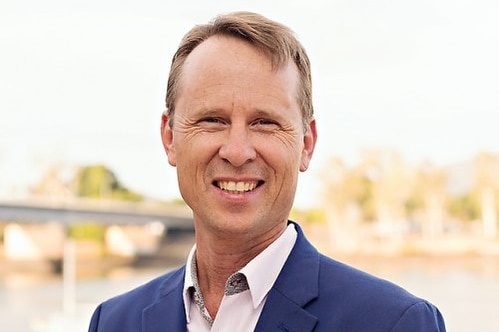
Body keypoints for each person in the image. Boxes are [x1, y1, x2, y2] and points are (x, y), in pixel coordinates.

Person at [88, 11, 446, 332]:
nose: (238, 152)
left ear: (306, 144)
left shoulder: (395, 322)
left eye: (265, 123)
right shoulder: (114, 322)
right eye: (212, 120)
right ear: (170, 138)